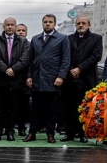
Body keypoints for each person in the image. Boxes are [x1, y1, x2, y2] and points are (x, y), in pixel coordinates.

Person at [24, 14, 70, 143]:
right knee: (35, 109)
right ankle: (32, 133)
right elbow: (30, 60)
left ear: (54, 24)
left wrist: (61, 76)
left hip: (52, 80)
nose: (48, 24)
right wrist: (28, 76)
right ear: (42, 23)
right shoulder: (35, 39)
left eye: (50, 22)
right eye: (45, 22)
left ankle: (51, 134)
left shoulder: (62, 38)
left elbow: (65, 59)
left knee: (51, 110)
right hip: (37, 79)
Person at [61, 16, 102, 144]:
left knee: (85, 107)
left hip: (87, 78)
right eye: (78, 23)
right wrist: (72, 69)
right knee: (69, 107)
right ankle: (69, 133)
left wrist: (80, 69)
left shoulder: (96, 38)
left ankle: (84, 133)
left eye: (83, 23)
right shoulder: (69, 39)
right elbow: (65, 56)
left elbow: (96, 56)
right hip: (70, 78)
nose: (80, 25)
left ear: (89, 25)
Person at [0, 17, 30, 142]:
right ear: (3, 26)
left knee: (13, 108)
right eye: (8, 25)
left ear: (16, 26)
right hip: (0, 79)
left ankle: (10, 131)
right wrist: (6, 69)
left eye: (12, 25)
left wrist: (14, 69)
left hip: (16, 80)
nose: (10, 27)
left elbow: (25, 58)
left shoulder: (23, 41)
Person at [15, 23, 30, 135]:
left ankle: (21, 127)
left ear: (26, 33)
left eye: (23, 30)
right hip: (12, 78)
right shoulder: (12, 44)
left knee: (24, 106)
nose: (20, 32)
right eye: (18, 30)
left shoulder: (30, 45)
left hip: (25, 80)